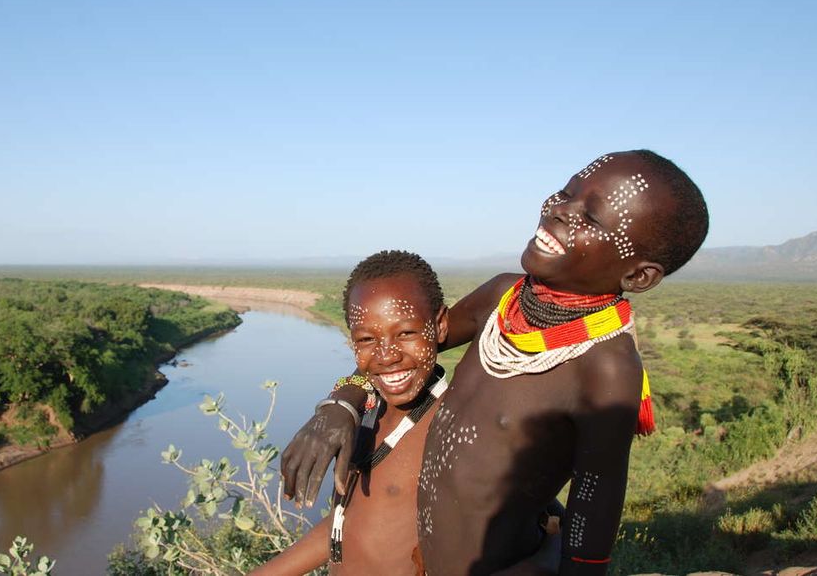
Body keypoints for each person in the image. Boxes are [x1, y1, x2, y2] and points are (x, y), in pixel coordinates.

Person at [280, 150, 709, 574]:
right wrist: (342, 403)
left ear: (638, 277)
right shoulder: (502, 298)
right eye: (566, 192)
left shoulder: (607, 368)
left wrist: (556, 566)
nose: (559, 210)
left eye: (591, 218)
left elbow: (595, 503)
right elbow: (399, 351)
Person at [253, 250, 560, 575]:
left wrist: (553, 548)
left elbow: (535, 507)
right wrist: (342, 402)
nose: (387, 356)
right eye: (368, 339)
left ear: (441, 325)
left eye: (406, 333)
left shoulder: (453, 428)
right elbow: (351, 524)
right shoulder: (367, 414)